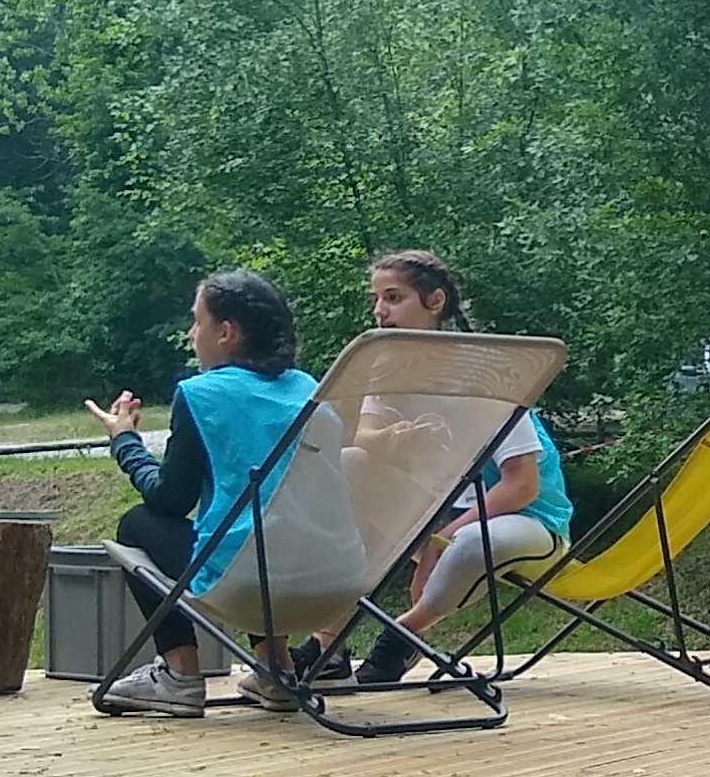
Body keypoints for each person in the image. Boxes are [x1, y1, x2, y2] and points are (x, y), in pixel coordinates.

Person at [84, 268, 319, 716]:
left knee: (139, 523)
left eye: (197, 322)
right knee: (260, 525)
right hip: (320, 574)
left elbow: (170, 500)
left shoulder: (201, 394)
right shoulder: (308, 387)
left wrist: (125, 440)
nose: (192, 334)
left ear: (226, 332)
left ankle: (179, 675)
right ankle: (276, 670)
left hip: (244, 579)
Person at [352, 249, 575, 685]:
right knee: (350, 464)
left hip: (525, 521)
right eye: (375, 299)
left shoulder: (483, 375)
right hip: (434, 513)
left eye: (393, 298)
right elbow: (364, 438)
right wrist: (389, 440)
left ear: (435, 302)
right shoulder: (389, 370)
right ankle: (328, 642)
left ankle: (402, 636)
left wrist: (441, 538)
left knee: (471, 541)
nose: (380, 311)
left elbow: (522, 486)